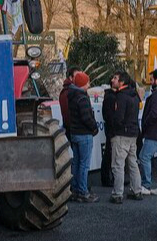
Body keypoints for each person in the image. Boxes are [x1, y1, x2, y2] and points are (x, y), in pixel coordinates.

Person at [102, 71, 143, 204]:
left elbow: (118, 117)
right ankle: (137, 190)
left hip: (121, 134)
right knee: (133, 163)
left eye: (115, 78)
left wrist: (114, 129)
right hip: (133, 133)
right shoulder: (134, 95)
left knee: (118, 165)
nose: (112, 80)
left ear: (122, 82)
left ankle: (117, 194)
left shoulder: (121, 96)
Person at [65, 71, 99, 202]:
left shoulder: (71, 95)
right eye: (87, 82)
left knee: (76, 163)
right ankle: (83, 191)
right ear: (82, 84)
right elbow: (86, 118)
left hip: (75, 133)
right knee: (84, 165)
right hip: (84, 134)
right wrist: (94, 127)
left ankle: (75, 189)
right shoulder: (82, 98)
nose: (89, 85)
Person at [58, 67, 80, 140]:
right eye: (77, 76)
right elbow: (67, 113)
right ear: (71, 77)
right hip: (75, 131)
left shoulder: (70, 91)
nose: (79, 78)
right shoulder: (68, 92)